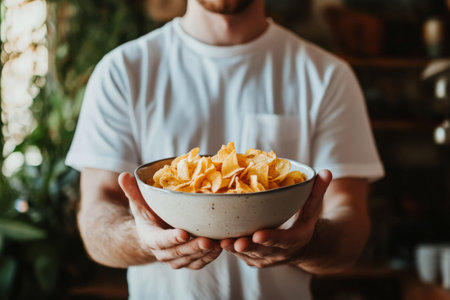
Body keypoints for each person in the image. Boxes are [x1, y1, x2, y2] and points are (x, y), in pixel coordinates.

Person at [65, 0, 385, 299]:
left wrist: (306, 244)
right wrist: (143, 241)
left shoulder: (328, 76)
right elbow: (98, 214)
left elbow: (350, 219)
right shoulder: (122, 72)